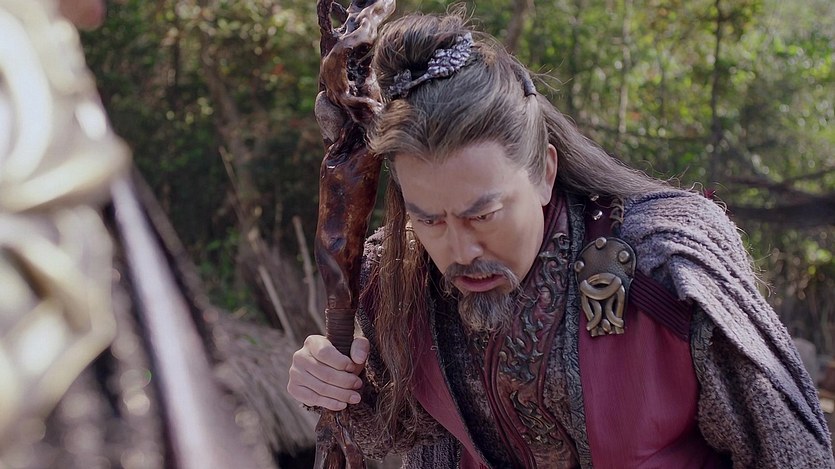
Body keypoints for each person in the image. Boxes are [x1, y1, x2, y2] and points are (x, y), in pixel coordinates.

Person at [288, 10, 834, 469]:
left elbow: (791, 453)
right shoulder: (397, 284)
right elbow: (398, 432)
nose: (460, 250)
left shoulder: (666, 266)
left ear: (545, 172)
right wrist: (335, 383)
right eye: (429, 220)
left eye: (484, 215)